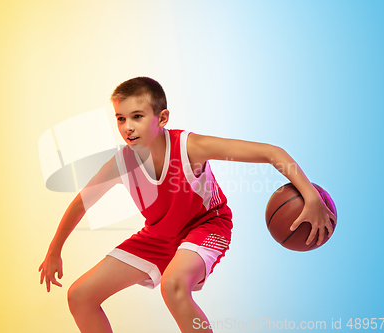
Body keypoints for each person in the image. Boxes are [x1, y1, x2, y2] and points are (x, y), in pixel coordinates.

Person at [39, 77, 337, 333]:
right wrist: (54, 250)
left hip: (206, 225)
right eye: (120, 118)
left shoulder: (189, 147)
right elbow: (81, 203)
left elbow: (271, 152)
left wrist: (310, 196)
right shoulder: (121, 163)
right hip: (158, 235)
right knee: (80, 296)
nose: (127, 127)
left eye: (137, 116)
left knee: (174, 285)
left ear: (162, 118)